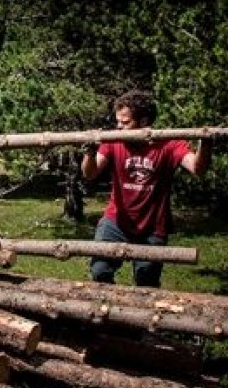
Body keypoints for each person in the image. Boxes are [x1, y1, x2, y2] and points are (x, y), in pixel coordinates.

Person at [81, 89, 213, 287]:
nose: (118, 127)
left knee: (147, 282)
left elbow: (197, 168)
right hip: (116, 220)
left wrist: (205, 143)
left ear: (143, 122)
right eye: (117, 122)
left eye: (125, 123)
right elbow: (89, 173)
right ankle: (108, 314)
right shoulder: (113, 142)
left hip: (153, 226)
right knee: (100, 271)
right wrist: (89, 152)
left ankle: (139, 316)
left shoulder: (169, 144)